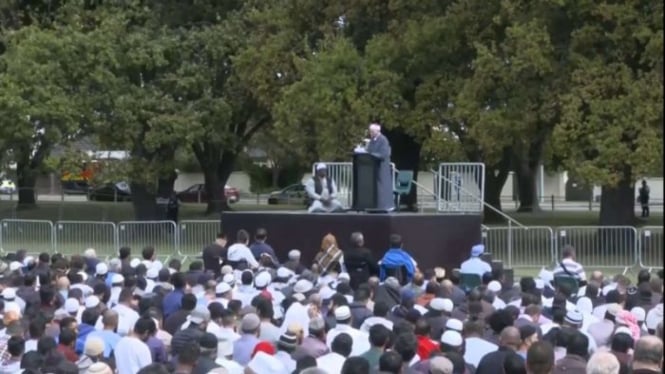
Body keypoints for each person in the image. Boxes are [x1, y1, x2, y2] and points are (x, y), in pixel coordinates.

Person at [364, 123, 394, 211]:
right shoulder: (372, 140)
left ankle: (384, 206)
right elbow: (369, 150)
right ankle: (374, 205)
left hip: (381, 167)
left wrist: (372, 154)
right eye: (370, 131)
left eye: (372, 131)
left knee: (382, 186)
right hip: (373, 167)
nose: (371, 133)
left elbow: (384, 153)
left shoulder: (383, 140)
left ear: (378, 131)